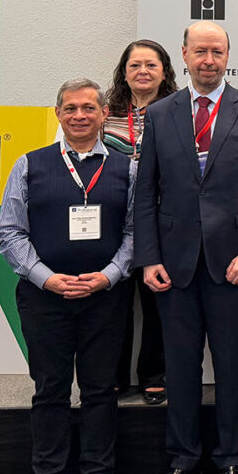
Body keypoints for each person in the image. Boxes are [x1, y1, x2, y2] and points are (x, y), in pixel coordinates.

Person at [135, 21, 238, 474]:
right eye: (200, 51)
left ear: (227, 55)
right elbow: (145, 195)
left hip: (233, 265)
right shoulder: (160, 114)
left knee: (232, 366)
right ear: (184, 54)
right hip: (173, 265)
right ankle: (181, 460)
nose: (208, 60)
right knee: (179, 368)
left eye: (216, 52)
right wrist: (148, 257)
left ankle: (233, 460)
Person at [0, 78, 135, 474]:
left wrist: (110, 274)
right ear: (58, 113)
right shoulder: (28, 165)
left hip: (105, 297)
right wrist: (47, 278)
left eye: (88, 109)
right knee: (50, 388)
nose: (79, 116)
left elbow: (135, 232)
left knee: (99, 388)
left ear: (102, 114)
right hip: (44, 298)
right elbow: (10, 233)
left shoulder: (127, 167)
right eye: (70, 108)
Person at [104, 39, 177, 405]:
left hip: (160, 219)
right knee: (114, 302)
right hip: (113, 220)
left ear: (165, 71)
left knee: (156, 301)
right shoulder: (106, 111)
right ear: (124, 72)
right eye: (135, 66)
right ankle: (113, 376)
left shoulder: (178, 111)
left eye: (151, 65)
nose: (143, 72)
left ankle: (153, 374)